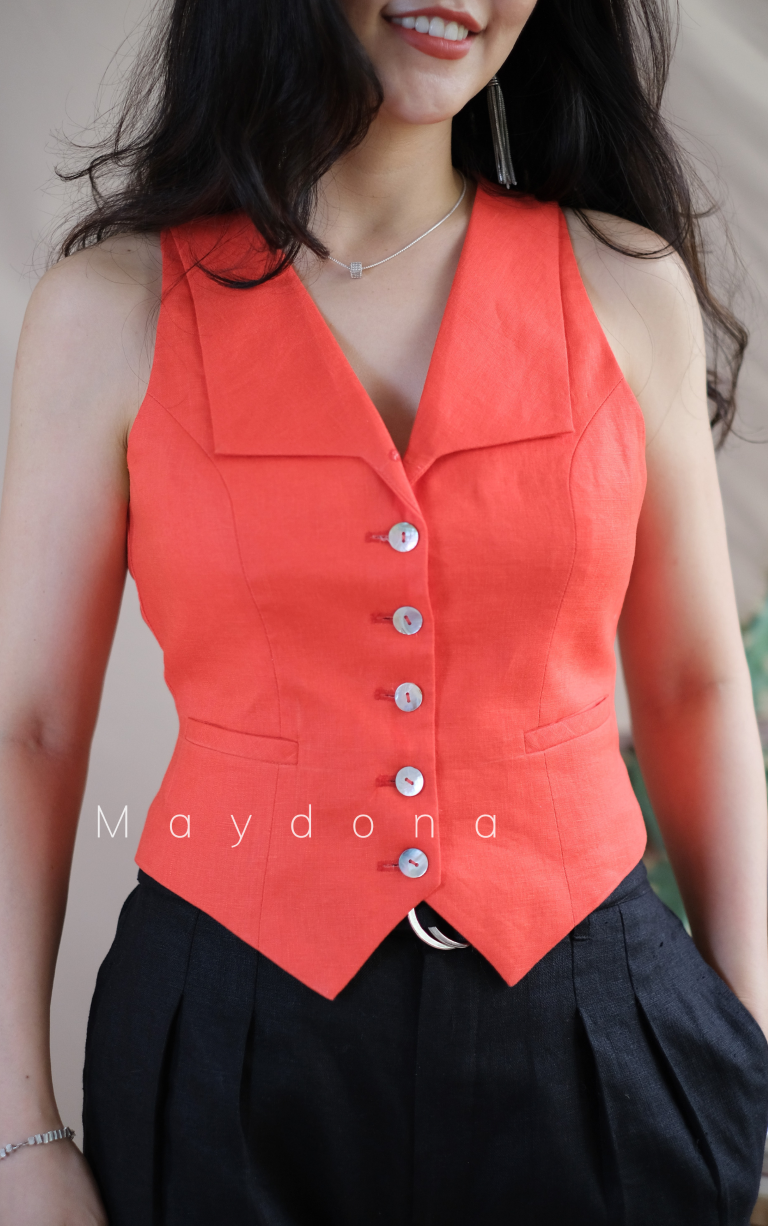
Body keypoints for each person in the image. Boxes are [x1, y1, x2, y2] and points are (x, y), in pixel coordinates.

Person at [1, 0, 767, 1222]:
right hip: (226, 1058)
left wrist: (747, 1045)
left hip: (598, 1041)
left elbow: (691, 682)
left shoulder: (625, 283)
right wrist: (20, 1135)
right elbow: (30, 727)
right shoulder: (109, 311)